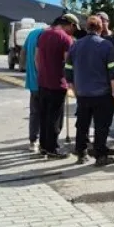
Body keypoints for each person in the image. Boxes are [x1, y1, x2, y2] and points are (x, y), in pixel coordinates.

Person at [65, 15, 114, 167]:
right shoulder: (106, 45)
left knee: (82, 125)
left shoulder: (75, 46)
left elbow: (68, 72)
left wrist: (75, 91)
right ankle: (100, 155)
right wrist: (113, 92)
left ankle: (81, 154)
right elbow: (113, 72)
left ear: (87, 28)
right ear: (100, 28)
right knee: (101, 126)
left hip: (82, 94)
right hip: (102, 94)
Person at [35, 13, 79, 158]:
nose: (73, 31)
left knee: (44, 116)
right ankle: (52, 148)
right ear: (70, 24)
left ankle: (43, 146)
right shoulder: (66, 38)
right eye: (74, 28)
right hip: (57, 84)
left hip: (42, 83)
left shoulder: (42, 35)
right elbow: (69, 64)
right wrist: (71, 81)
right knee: (55, 118)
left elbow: (36, 59)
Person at [21, 22, 47, 152]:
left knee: (34, 113)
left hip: (32, 82)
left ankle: (33, 141)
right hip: (43, 82)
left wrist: (23, 68)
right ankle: (44, 142)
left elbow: (23, 52)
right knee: (46, 114)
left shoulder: (31, 34)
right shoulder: (44, 35)